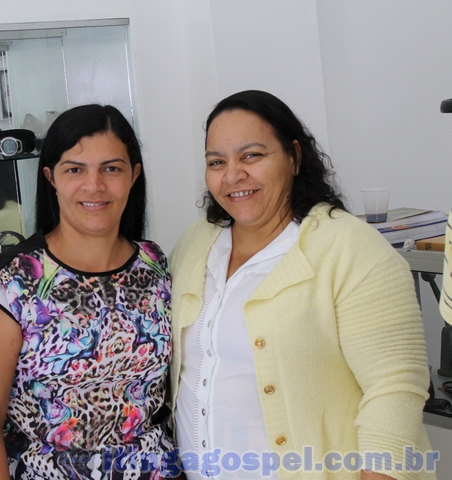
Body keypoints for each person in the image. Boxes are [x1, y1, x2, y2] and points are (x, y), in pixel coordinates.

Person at [169, 90, 434, 480]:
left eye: (251, 155)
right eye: (216, 162)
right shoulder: (195, 244)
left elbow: (395, 387)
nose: (232, 175)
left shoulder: (349, 247)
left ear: (293, 157)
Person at [0, 104, 174, 479]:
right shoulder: (14, 282)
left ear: (134, 175)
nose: (95, 185)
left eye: (112, 168)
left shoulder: (154, 264)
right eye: (75, 169)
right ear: (51, 178)